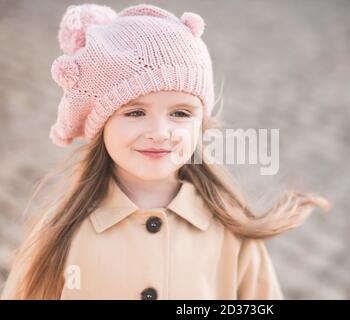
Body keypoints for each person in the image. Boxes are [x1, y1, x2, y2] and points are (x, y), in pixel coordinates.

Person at [0, 3, 331, 300]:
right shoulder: (60, 235)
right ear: (100, 124)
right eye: (135, 112)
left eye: (180, 113)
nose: (160, 133)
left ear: (201, 123)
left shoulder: (233, 235)